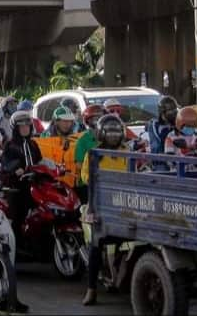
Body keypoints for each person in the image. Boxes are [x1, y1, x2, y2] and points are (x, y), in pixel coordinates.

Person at [82, 114, 129, 306]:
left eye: (117, 133)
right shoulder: (94, 155)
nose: (113, 136)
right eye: (109, 133)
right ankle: (91, 290)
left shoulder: (127, 153)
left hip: (125, 207)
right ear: (101, 134)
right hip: (99, 207)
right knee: (95, 246)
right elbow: (86, 178)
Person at [1, 110, 44, 231]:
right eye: (21, 126)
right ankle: (17, 243)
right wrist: (15, 169)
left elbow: (40, 161)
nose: (25, 128)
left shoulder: (33, 144)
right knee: (18, 216)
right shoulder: (10, 145)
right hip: (16, 187)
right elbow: (6, 164)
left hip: (34, 185)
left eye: (27, 125)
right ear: (15, 128)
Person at [38, 107, 80, 188]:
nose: (67, 124)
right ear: (56, 121)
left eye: (70, 121)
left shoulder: (77, 136)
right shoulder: (45, 137)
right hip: (52, 181)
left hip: (73, 181)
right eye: (64, 121)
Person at [74, 104, 106, 197]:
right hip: (89, 183)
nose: (98, 121)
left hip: (108, 181)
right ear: (88, 121)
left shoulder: (110, 137)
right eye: (95, 119)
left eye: (101, 118)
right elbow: (79, 165)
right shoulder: (83, 140)